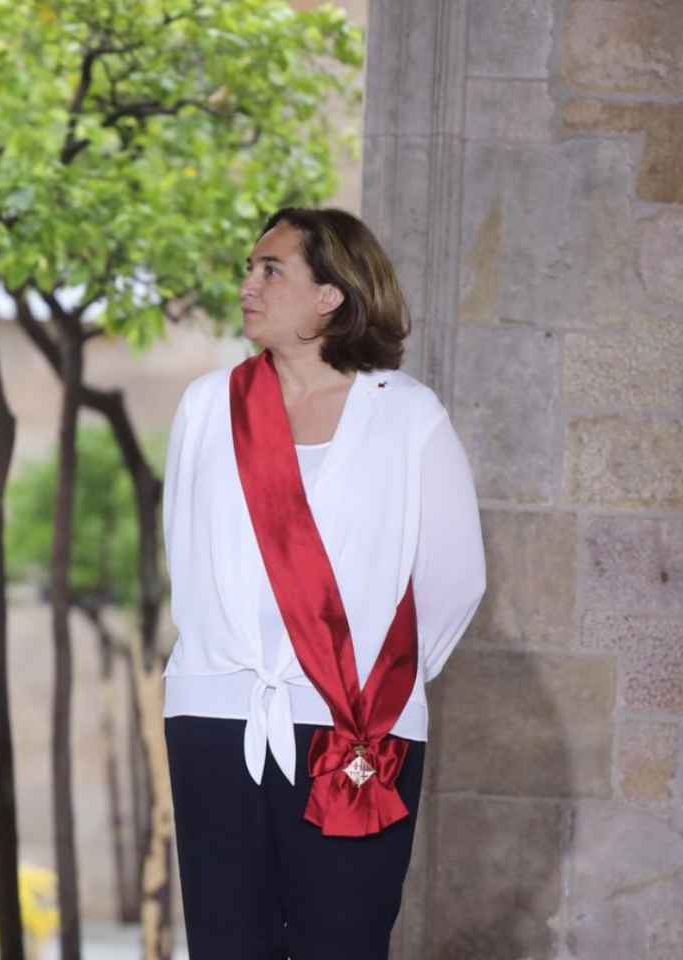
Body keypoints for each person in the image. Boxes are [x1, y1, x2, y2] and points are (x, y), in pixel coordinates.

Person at [161, 207, 486, 959]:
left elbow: (454, 575)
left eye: (270, 270)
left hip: (358, 728)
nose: (248, 284)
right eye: (249, 267)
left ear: (331, 295)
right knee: (226, 941)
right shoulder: (209, 406)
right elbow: (184, 546)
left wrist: (370, 685)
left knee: (342, 939)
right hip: (217, 716)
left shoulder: (407, 416)